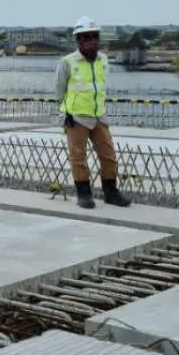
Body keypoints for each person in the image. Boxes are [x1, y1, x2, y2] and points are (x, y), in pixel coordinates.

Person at [55, 17, 132, 210]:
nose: (90, 40)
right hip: (76, 117)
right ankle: (84, 194)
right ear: (78, 40)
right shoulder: (67, 62)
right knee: (78, 157)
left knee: (108, 155)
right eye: (85, 37)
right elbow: (59, 91)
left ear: (98, 38)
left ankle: (111, 192)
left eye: (93, 36)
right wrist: (64, 114)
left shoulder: (103, 60)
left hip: (98, 117)